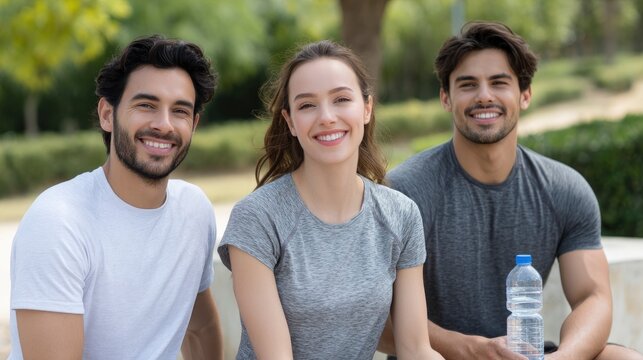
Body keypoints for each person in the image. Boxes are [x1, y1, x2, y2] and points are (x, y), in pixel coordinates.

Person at [380, 21, 643, 359]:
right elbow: (379, 318)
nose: (484, 95)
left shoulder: (564, 189)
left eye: (499, 82)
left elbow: (593, 297)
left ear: (525, 95)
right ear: (446, 97)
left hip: (526, 353)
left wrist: (563, 358)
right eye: (468, 84)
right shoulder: (405, 191)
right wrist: (474, 350)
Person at [217, 40, 444, 360]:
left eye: (341, 99)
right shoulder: (258, 218)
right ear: (291, 121)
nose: (326, 117)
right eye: (307, 105)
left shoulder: (401, 214)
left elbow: (415, 348)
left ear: (366, 108)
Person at [9, 35, 224, 360]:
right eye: (146, 105)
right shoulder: (58, 222)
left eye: (179, 111)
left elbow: (199, 328)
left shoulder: (194, 211)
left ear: (193, 125)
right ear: (107, 115)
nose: (164, 124)